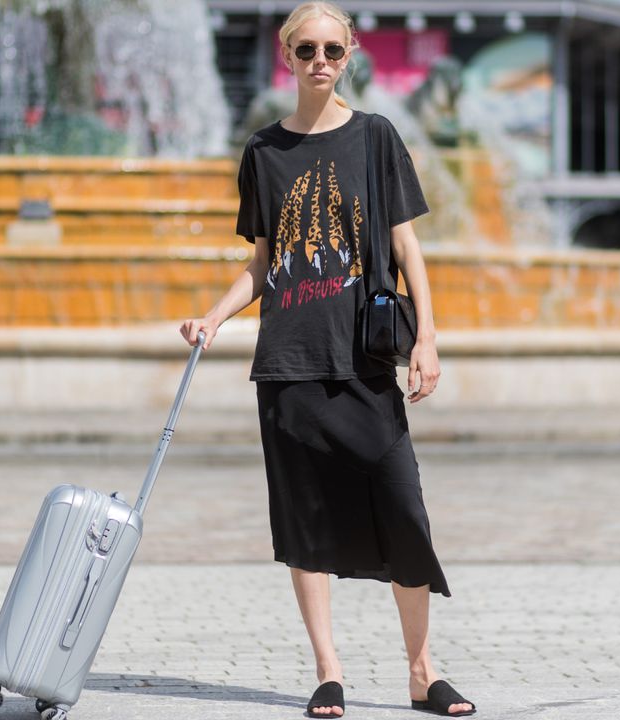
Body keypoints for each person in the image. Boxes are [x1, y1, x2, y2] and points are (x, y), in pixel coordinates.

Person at [178, 3, 474, 717]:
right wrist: (215, 317)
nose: (320, 60)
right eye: (306, 48)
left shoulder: (376, 138)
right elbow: (262, 262)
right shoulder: (264, 151)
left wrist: (426, 338)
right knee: (304, 520)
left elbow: (407, 249)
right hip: (289, 360)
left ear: (349, 55)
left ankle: (421, 670)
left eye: (333, 50)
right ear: (287, 54)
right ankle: (328, 670)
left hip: (365, 358)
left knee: (403, 507)